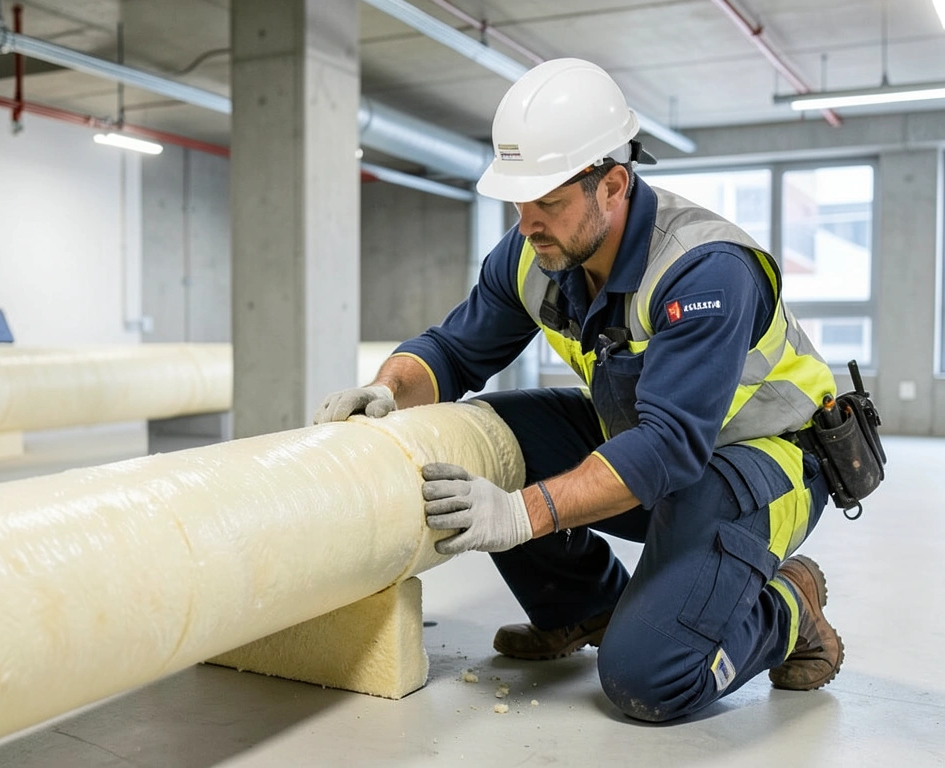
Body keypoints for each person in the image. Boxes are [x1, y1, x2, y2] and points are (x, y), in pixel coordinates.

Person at [313, 58, 844, 722]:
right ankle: (583, 608)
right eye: (519, 202)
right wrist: (388, 390)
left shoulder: (704, 271)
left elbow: (670, 447)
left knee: (649, 680)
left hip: (763, 464)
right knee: (493, 433)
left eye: (549, 202)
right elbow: (452, 351)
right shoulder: (537, 254)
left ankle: (789, 607)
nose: (527, 223)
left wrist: (521, 514)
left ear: (613, 184)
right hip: (657, 447)